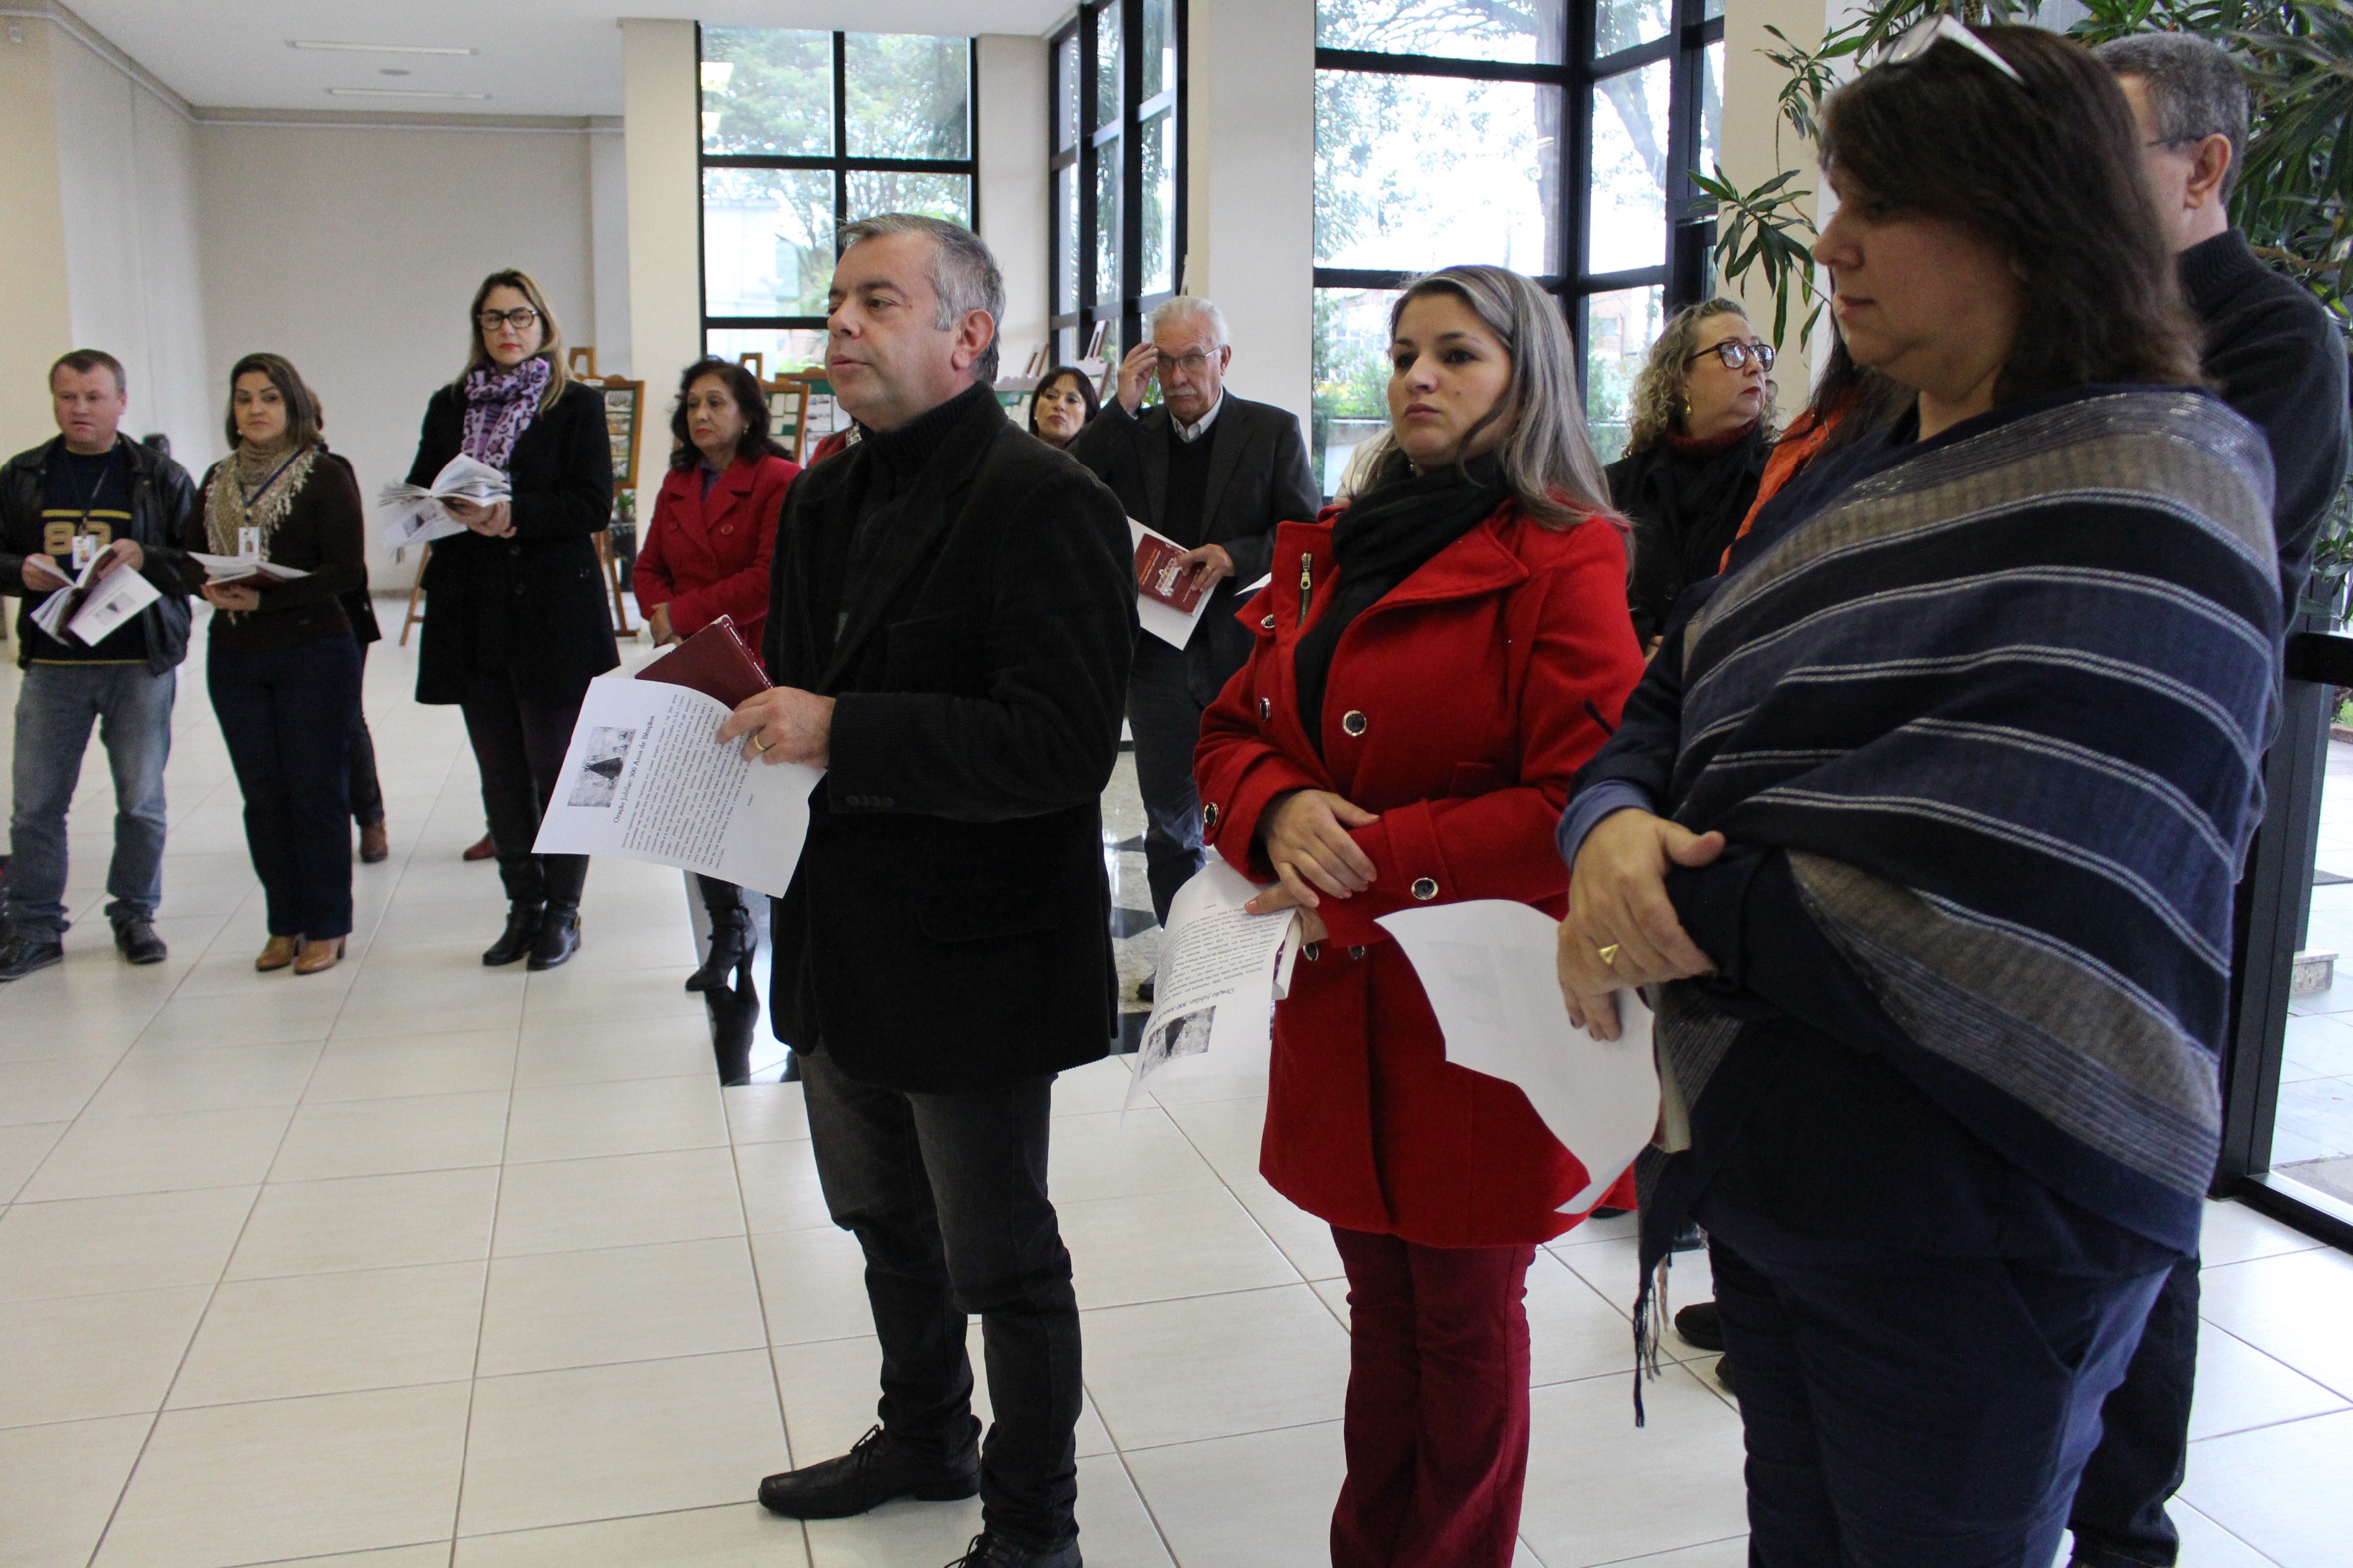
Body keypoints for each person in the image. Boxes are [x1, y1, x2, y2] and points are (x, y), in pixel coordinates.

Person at [1553, 24, 2281, 1565]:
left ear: (2027, 217)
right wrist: (1607, 820)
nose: (1832, 246)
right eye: (1835, 199)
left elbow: (2026, 850)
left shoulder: (2158, 480)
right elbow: (1677, 679)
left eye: (1880, 206)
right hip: (1777, 1146)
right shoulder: (1850, 463)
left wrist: (1670, 898)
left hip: (1988, 1188)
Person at [1193, 264, 1644, 1567]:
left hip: (1481, 1015)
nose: (1418, 379)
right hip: (1347, 1004)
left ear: (1526, 375)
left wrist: (1370, 859)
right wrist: (1275, 807)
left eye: (1457, 354)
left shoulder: (1565, 550)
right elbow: (1231, 729)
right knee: (1385, 1316)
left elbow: (1583, 795)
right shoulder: (1340, 543)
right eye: (1401, 355)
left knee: (1461, 1321)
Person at [724, 214, 1130, 1568]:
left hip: (974, 951)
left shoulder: (1044, 500)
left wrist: (842, 728)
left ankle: (1034, 1526)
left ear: (969, 335)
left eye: (877, 300)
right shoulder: (822, 497)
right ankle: (924, 1434)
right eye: (836, 300)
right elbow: (793, 698)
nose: (840, 323)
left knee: (1000, 1255)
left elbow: (1058, 747)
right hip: (836, 933)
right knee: (880, 1219)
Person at [2057, 33, 2353, 1568]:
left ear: (2203, 165)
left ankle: (2123, 1524)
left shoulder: (2276, 339)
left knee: (2143, 1163)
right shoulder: (2074, 318)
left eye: (2098, 150)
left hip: (2170, 824)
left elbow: (2186, 561)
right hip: (2046, 807)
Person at [1067, 296, 1319, 940]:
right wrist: (1119, 407)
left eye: (1192, 360)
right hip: (1155, 659)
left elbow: (1306, 534)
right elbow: (1067, 489)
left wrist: (1236, 557)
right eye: (1165, 362)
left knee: (1255, 809)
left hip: (1242, 653)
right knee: (1169, 823)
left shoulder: (1270, 431)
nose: (1177, 377)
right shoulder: (1132, 432)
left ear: (1222, 359)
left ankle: (1252, 961)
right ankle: (1183, 958)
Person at [406, 269, 617, 970]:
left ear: (542, 324)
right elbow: (422, 491)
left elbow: (592, 503)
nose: (507, 330)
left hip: (552, 610)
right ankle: (521, 905)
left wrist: (513, 513)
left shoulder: (575, 404)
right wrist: (440, 509)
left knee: (555, 765)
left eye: (520, 316)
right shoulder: (449, 405)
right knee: (499, 770)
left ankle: (562, 909)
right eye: (494, 318)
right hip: (473, 609)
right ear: (479, 326)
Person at [0, 350, 198, 981]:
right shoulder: (23, 474)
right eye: (66, 397)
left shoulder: (160, 476)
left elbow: (197, 563)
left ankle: (134, 914)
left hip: (138, 662)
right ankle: (34, 926)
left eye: (92, 397)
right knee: (35, 805)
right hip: (53, 664)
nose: (78, 409)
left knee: (140, 801)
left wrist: (148, 556)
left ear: (121, 402)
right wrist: (20, 571)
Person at [635, 355, 802, 1084]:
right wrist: (662, 613)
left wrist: (683, 613)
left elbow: (768, 576)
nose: (701, 415)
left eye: (716, 402)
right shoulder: (678, 482)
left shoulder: (777, 479)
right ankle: (727, 929)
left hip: (755, 657)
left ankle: (788, 947)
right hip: (690, 662)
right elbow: (647, 566)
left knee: (763, 804)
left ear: (747, 412)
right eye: (691, 404)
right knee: (697, 799)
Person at [180, 354, 367, 974]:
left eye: (269, 397)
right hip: (236, 653)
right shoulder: (217, 478)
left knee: (315, 792)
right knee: (263, 797)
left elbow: (346, 572)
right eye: (243, 398)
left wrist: (268, 598)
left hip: (314, 651)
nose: (255, 409)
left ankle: (328, 924)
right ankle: (283, 921)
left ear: (292, 405)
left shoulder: (325, 473)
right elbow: (189, 555)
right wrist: (204, 584)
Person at [1606, 298, 1774, 649]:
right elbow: (1588, 594)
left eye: (1757, 352)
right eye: (1732, 352)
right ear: (1680, 378)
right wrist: (1640, 640)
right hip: (1629, 673)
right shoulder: (1615, 487)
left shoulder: (1782, 479)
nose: (1756, 366)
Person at [1026, 365, 1099, 450]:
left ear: (1086, 417)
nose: (1059, 405)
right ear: (1035, 409)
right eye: (1051, 396)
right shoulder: (1016, 453)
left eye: (1072, 400)